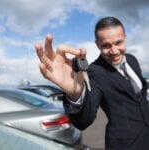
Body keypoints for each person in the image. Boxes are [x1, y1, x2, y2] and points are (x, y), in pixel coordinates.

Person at [35, 16, 149, 150]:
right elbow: (84, 119)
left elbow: (141, 92)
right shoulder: (95, 71)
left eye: (118, 42)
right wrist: (76, 94)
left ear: (125, 37)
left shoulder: (132, 59)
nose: (114, 51)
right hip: (125, 143)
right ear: (97, 44)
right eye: (106, 45)